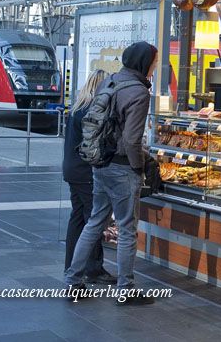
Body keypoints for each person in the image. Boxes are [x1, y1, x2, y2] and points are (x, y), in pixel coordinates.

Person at [65, 41, 158, 305]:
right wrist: (139, 168)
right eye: (154, 61)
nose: (155, 66)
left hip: (100, 163)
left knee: (95, 221)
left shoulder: (112, 81)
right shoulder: (139, 92)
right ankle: (126, 289)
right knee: (128, 229)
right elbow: (131, 140)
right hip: (121, 167)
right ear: (144, 62)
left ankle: (73, 281)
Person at [62, 69, 115, 285]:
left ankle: (71, 265)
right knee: (93, 220)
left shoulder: (78, 108)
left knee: (78, 219)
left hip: (72, 169)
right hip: (85, 171)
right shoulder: (92, 111)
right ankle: (93, 269)